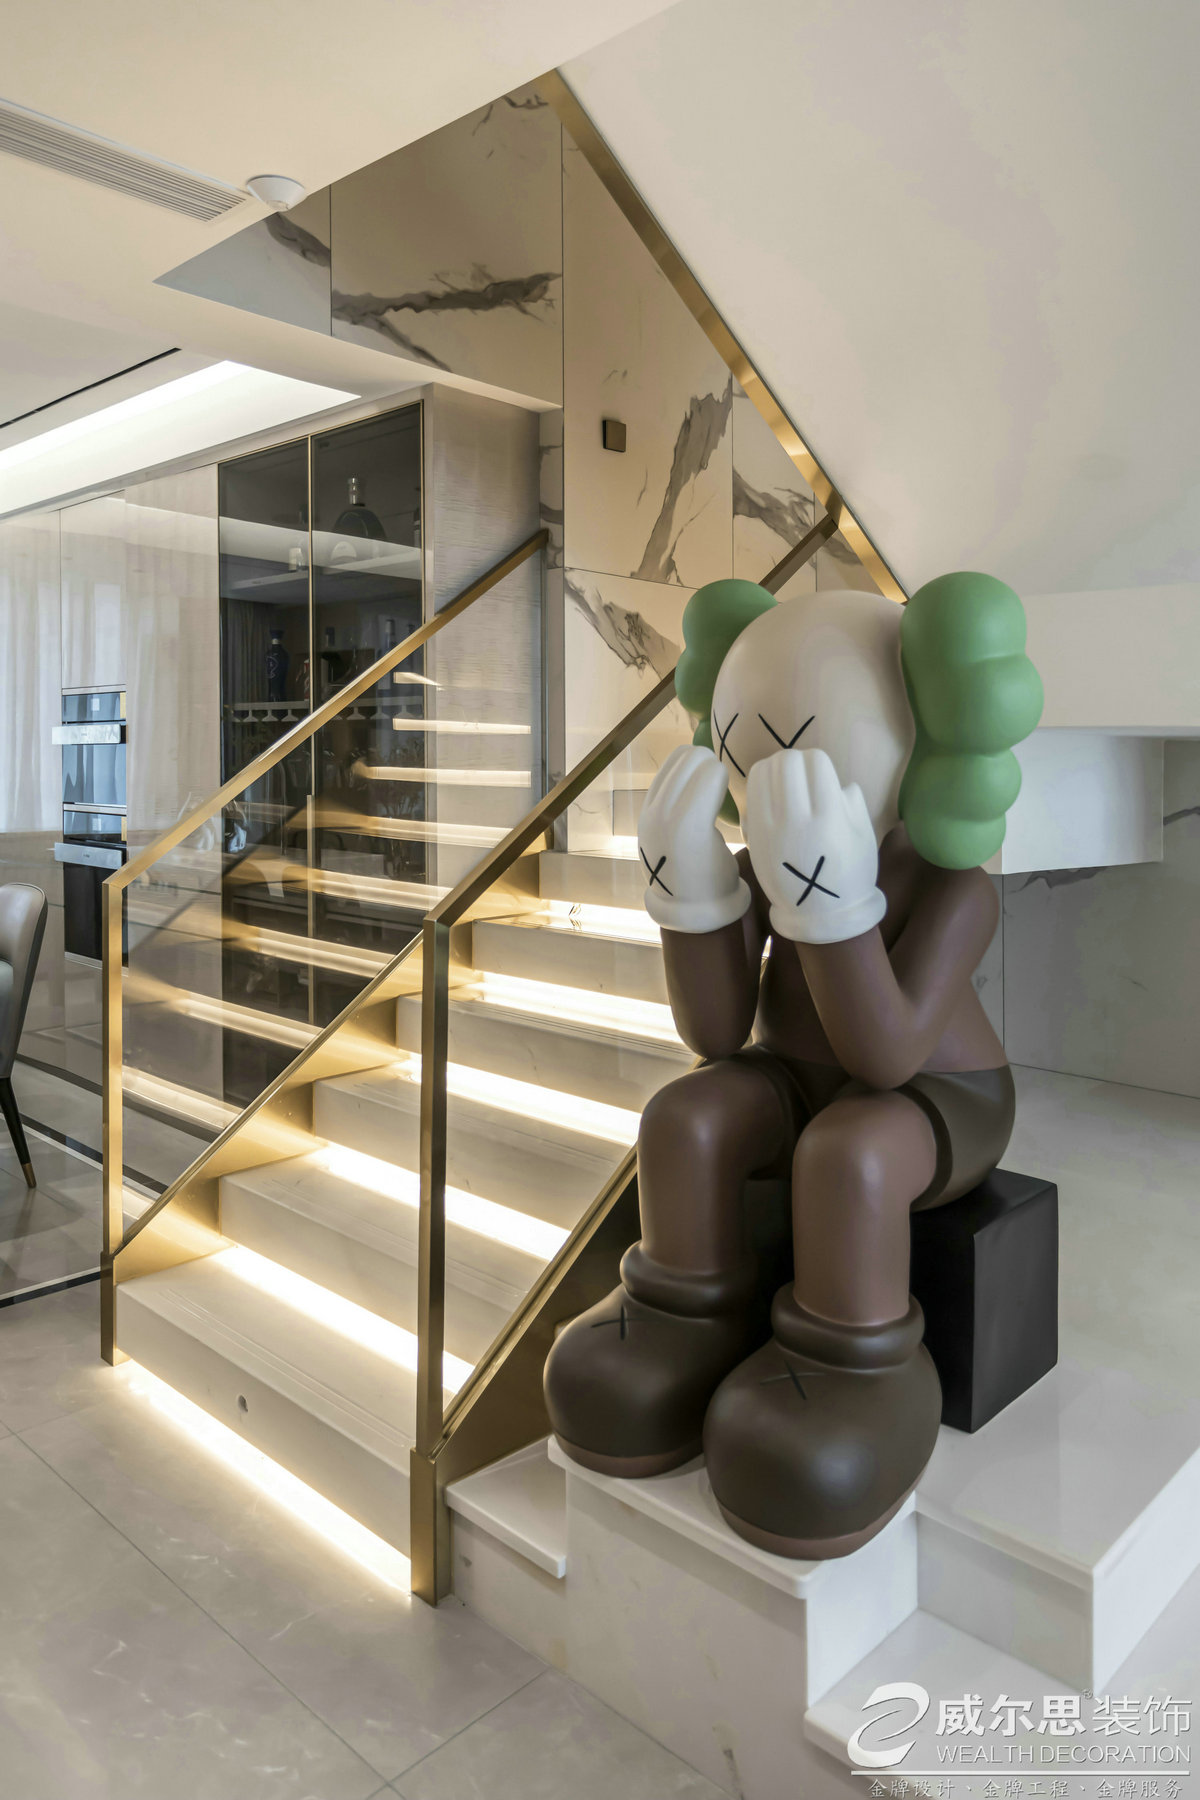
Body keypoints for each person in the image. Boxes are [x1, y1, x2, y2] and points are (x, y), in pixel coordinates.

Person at [545, 571, 1043, 1557]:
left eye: (800, 747)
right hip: (800, 1074)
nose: (770, 778)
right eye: (747, 751)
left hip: (941, 1098)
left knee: (850, 1155)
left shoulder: (955, 891)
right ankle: (682, 1316)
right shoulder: (770, 859)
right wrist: (689, 888)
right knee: (685, 1115)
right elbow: (717, 1032)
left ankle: (854, 1369)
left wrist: (828, 899)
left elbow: (887, 1054)